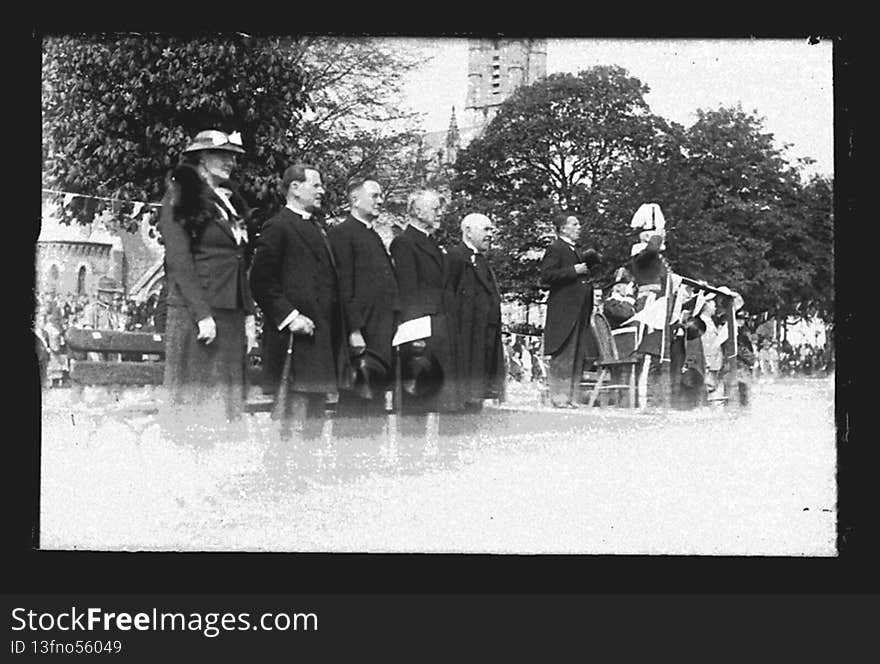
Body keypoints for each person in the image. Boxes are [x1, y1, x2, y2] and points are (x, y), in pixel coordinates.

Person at [156, 128, 257, 427]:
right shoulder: (181, 196)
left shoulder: (226, 202)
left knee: (224, 404)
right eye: (222, 155)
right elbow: (178, 260)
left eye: (233, 156)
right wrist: (202, 315)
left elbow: (238, 261)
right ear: (200, 158)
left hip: (230, 311)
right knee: (196, 404)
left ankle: (217, 467)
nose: (230, 162)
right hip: (197, 313)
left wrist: (249, 314)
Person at [250, 163, 352, 435]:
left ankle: (305, 475)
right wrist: (290, 316)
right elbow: (260, 281)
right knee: (293, 421)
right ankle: (287, 476)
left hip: (320, 343)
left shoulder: (317, 230)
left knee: (314, 423)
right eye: (316, 185)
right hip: (294, 345)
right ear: (294, 188)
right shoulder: (278, 226)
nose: (322, 191)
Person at [327, 177, 399, 413]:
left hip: (381, 332)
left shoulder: (374, 236)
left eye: (381, 196)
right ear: (355, 200)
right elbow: (343, 286)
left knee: (375, 402)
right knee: (356, 404)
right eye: (375, 196)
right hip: (361, 336)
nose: (381, 201)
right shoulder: (342, 234)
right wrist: (354, 330)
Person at [388, 189, 460, 412]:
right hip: (421, 332)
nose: (440, 214)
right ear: (417, 211)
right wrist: (415, 338)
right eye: (435, 209)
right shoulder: (404, 243)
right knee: (417, 397)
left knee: (436, 399)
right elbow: (408, 292)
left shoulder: (431, 243)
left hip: (439, 328)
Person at [540, 213, 601, 408]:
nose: (579, 227)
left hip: (578, 309)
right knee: (564, 351)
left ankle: (571, 396)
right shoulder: (555, 248)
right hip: (564, 311)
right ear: (563, 228)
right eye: (574, 224)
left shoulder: (574, 249)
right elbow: (547, 276)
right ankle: (559, 397)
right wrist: (574, 271)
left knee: (576, 353)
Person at [447, 213, 505, 409]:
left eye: (492, 230)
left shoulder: (481, 261)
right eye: (486, 229)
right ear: (468, 232)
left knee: (477, 396)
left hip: (483, 336)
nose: (491, 234)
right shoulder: (455, 258)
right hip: (465, 338)